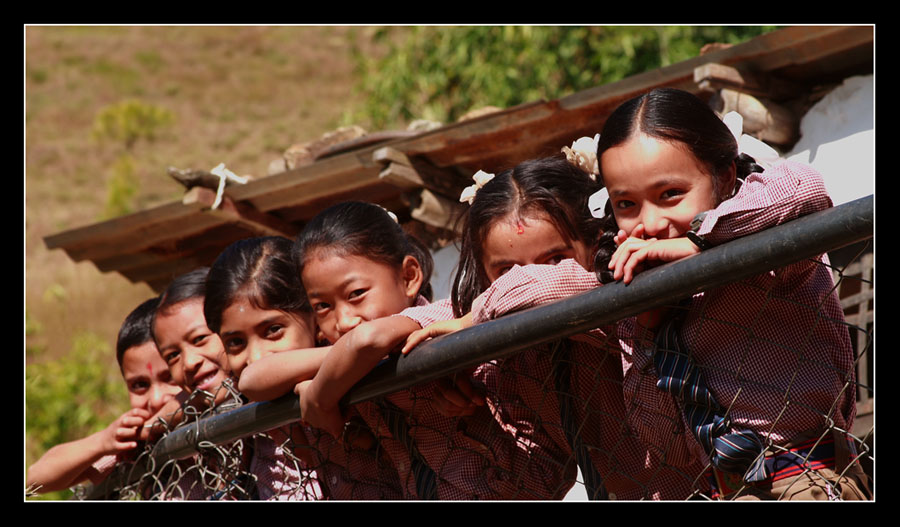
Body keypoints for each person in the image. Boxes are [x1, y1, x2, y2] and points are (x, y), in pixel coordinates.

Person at [591, 87, 869, 500]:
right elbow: (665, 445)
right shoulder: (632, 288)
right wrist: (648, 328)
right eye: (626, 204)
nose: (648, 224)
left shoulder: (767, 253)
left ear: (724, 178)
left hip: (805, 477)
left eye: (670, 195)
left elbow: (804, 189)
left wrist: (702, 242)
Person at [403, 155, 702, 500]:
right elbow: (541, 481)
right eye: (504, 272)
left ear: (594, 244)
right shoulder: (521, 361)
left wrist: (473, 321)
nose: (529, 279)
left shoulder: (623, 304)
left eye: (555, 259)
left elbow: (544, 288)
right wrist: (476, 415)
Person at [292, 201, 542, 500]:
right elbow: (254, 379)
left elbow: (366, 341)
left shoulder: (441, 319)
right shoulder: (343, 359)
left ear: (410, 277)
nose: (343, 322)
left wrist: (319, 395)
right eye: (322, 306)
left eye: (356, 294)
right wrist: (338, 364)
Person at [203, 236, 326, 500]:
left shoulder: (357, 383)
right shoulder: (246, 420)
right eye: (235, 342)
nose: (256, 357)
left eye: (273, 330)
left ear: (315, 316)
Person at [26, 297, 185, 496]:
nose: (156, 398)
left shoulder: (220, 414)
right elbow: (33, 482)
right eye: (139, 385)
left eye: (169, 377)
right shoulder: (135, 445)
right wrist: (104, 441)